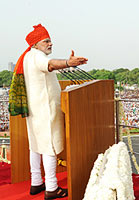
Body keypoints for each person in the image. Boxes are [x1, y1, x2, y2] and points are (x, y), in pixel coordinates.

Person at [9, 24, 88, 199]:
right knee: (49, 147)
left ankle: (36, 182)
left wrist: (69, 65)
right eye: (46, 41)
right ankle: (52, 188)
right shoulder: (37, 56)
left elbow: (49, 68)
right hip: (45, 111)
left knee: (36, 146)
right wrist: (68, 62)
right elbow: (51, 65)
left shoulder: (28, 56)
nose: (50, 44)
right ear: (36, 44)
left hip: (35, 111)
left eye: (50, 40)